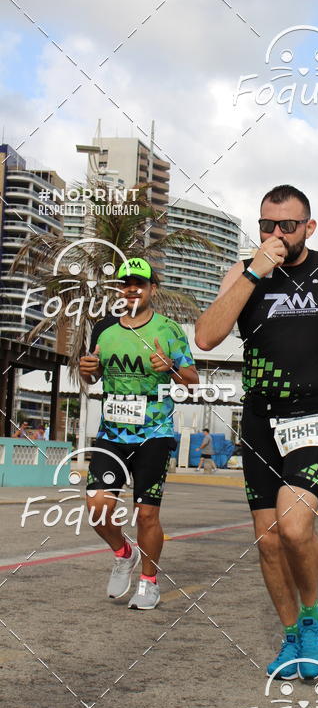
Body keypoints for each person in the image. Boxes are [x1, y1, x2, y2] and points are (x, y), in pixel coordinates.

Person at [195, 184, 318, 679]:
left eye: (288, 226)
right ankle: (291, 635)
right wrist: (255, 271)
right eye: (267, 225)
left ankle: (312, 615)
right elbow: (207, 335)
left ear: (309, 228)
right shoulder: (243, 271)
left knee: (294, 525)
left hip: (314, 412)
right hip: (259, 415)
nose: (277, 234)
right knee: (268, 539)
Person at [79, 257, 199, 610]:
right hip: (112, 434)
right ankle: (124, 553)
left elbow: (192, 383)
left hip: (154, 434)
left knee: (146, 513)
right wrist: (88, 370)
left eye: (140, 283)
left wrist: (172, 367)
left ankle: (149, 582)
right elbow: (91, 375)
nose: (132, 288)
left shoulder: (169, 330)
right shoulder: (103, 329)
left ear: (152, 289)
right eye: (125, 283)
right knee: (97, 509)